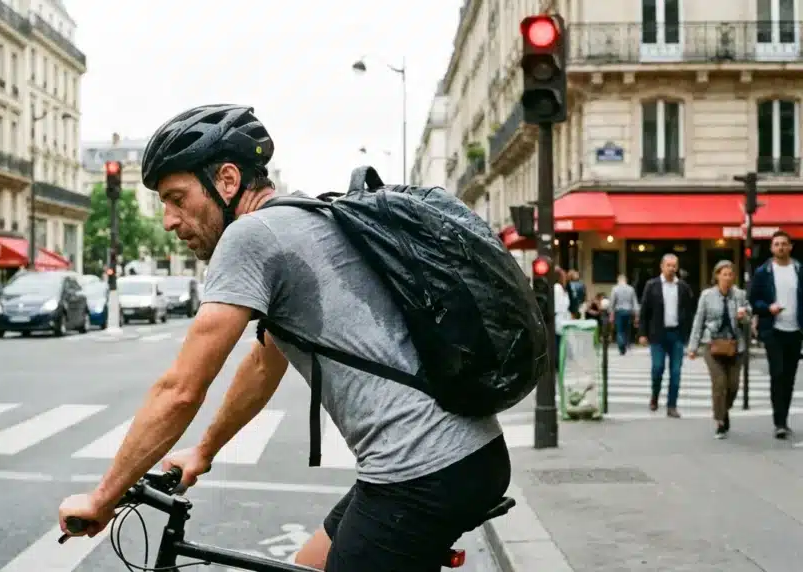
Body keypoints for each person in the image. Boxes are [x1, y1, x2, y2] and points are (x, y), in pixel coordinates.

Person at [55, 104, 511, 571]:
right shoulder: (303, 217)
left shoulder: (251, 236)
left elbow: (181, 389)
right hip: (460, 454)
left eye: (177, 198)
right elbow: (263, 362)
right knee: (310, 564)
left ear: (227, 181)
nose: (170, 220)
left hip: (421, 468)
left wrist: (102, 497)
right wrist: (204, 451)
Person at [687, 261, 751, 438]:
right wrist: (693, 347)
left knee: (734, 385)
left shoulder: (740, 294)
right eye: (724, 274)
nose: (728, 278)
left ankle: (724, 409)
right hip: (712, 345)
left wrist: (744, 315)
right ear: (717, 275)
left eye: (731, 274)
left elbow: (748, 316)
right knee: (719, 383)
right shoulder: (707, 295)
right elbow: (698, 321)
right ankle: (720, 422)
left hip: (734, 346)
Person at [748, 230, 802, 439]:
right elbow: (754, 300)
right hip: (773, 330)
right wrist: (767, 307)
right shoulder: (763, 272)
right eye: (776, 244)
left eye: (784, 244)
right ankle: (778, 422)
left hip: (795, 330)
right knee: (777, 374)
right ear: (772, 248)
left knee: (788, 377)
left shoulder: (799, 270)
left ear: (790, 247)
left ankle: (784, 418)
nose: (780, 247)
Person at [637, 254, 694, 417]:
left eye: (674, 265)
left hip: (676, 334)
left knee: (676, 372)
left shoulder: (683, 287)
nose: (671, 269)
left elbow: (689, 311)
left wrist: (689, 335)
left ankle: (672, 406)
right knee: (657, 368)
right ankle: (655, 395)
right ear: (662, 266)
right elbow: (644, 311)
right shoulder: (652, 285)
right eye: (668, 265)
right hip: (658, 334)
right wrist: (642, 333)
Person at [609, 274, 639, 355]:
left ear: (618, 280)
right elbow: (635, 302)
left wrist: (611, 314)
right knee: (626, 330)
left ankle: (621, 344)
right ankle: (625, 344)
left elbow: (612, 302)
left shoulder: (615, 289)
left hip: (619, 311)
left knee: (620, 330)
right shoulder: (631, 289)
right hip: (629, 311)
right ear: (626, 280)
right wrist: (636, 315)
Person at [554, 267, 571, 371]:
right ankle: (558, 363)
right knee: (558, 343)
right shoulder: (557, 288)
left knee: (559, 343)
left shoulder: (560, 288)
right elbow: (560, 305)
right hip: (559, 320)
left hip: (561, 319)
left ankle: (559, 363)